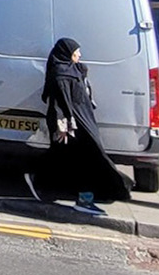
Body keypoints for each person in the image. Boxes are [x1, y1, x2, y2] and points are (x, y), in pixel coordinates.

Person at [27, 38, 131, 214]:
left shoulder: (74, 70)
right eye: (77, 51)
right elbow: (60, 102)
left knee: (66, 158)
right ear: (67, 53)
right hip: (73, 125)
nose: (80, 55)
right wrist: (64, 125)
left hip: (84, 121)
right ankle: (84, 200)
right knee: (88, 159)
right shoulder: (61, 74)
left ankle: (38, 179)